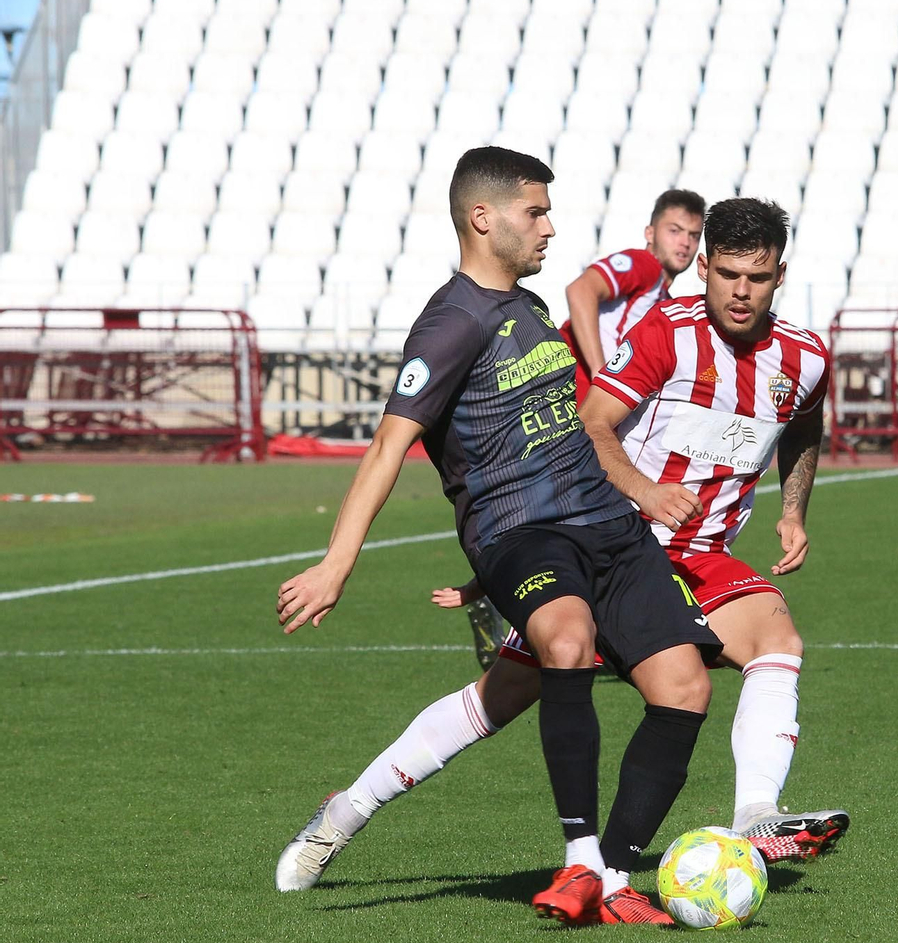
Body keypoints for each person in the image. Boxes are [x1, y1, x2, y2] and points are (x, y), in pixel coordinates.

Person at [272, 198, 849, 903]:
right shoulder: (668, 333)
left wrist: (793, 510)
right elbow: (592, 426)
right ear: (704, 267)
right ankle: (346, 812)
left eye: (755, 278)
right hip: (619, 534)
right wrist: (643, 490)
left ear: (778, 274)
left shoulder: (806, 356)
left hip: (696, 554)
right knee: (501, 697)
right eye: (725, 273)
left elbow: (805, 422)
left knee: (773, 636)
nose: (738, 290)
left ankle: (743, 818)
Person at [561, 189, 705, 403]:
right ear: (650, 233)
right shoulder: (644, 264)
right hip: (574, 387)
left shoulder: (665, 300)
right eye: (675, 231)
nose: (685, 242)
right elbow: (580, 290)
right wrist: (601, 374)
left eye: (693, 235)